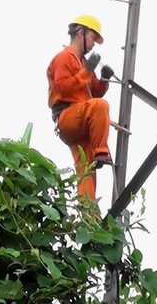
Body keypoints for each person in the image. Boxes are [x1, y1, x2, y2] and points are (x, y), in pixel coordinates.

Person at [46, 14, 115, 201]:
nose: (93, 45)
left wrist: (104, 79)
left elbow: (95, 93)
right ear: (80, 33)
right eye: (92, 38)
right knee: (101, 106)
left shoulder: (83, 63)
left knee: (87, 170)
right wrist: (86, 72)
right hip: (67, 116)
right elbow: (63, 87)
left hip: (81, 119)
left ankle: (88, 215)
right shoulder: (63, 58)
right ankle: (102, 151)